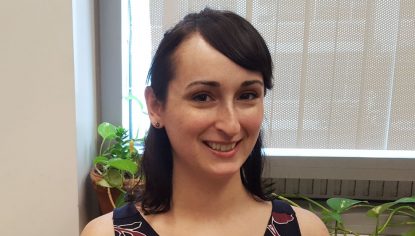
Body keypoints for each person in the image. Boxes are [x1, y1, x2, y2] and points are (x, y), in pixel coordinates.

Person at [82, 8, 329, 236]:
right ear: (156, 106)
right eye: (202, 97)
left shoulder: (305, 230)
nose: (231, 125)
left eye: (247, 96)